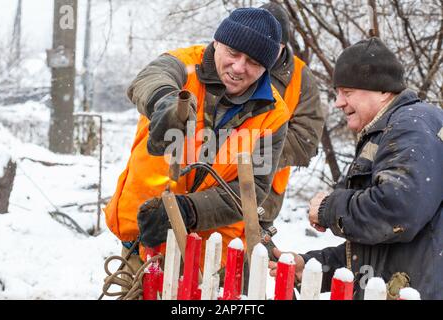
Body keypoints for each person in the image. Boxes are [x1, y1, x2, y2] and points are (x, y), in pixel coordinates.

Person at [104, 8, 290, 273]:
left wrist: (188, 210)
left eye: (253, 62)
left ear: (266, 68)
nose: (239, 67)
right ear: (217, 42)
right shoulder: (182, 64)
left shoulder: (274, 115)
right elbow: (150, 79)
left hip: (209, 259)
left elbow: (253, 189)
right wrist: (166, 101)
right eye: (233, 53)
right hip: (144, 242)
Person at [269, 37, 443, 300]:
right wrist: (315, 266)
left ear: (383, 91)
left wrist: (329, 208)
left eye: (347, 92)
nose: (338, 102)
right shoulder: (388, 130)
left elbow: (397, 213)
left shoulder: (412, 126)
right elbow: (381, 247)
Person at [258, 2, 324, 259]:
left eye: (271, 48)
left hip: (265, 195)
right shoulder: (235, 66)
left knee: (245, 275)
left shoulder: (300, 77)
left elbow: (306, 140)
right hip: (210, 187)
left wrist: (251, 151)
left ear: (283, 45)